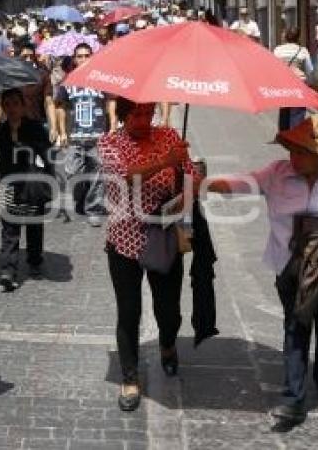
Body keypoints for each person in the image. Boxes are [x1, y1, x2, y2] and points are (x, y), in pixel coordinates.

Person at [207, 114, 318, 427]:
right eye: (292, 148)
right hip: (289, 268)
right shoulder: (276, 173)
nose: (293, 156)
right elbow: (238, 184)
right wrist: (201, 182)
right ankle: (293, 398)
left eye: (301, 150)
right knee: (295, 327)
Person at [98, 98, 197, 413]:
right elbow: (127, 174)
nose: (143, 120)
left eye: (148, 113)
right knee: (128, 311)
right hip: (123, 239)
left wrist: (187, 184)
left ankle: (168, 343)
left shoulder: (169, 136)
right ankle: (129, 377)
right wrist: (167, 159)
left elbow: (192, 176)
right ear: (125, 115)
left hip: (163, 235)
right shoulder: (109, 142)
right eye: (136, 114)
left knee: (169, 310)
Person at [0, 89, 54, 291]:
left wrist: (49, 182)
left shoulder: (35, 128)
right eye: (7, 104)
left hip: (31, 184)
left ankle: (34, 260)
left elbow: (47, 156)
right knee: (9, 229)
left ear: (23, 106)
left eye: (15, 104)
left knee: (34, 225)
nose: (11, 108)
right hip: (8, 184)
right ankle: (8, 270)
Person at [56, 43, 110, 226]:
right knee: (70, 171)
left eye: (87, 55)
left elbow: (111, 103)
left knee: (97, 173)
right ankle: (83, 195)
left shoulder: (101, 79)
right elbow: (61, 108)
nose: (84, 59)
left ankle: (93, 208)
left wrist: (113, 128)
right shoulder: (68, 81)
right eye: (80, 56)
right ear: (74, 58)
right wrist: (62, 132)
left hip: (97, 135)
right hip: (75, 136)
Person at [274, 27, 313, 131]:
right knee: (298, 112)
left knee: (284, 109)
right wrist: (309, 85)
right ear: (298, 37)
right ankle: (296, 135)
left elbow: (273, 68)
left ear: (286, 36)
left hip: (284, 83)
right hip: (299, 84)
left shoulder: (278, 50)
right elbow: (310, 70)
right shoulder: (303, 51)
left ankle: (284, 135)